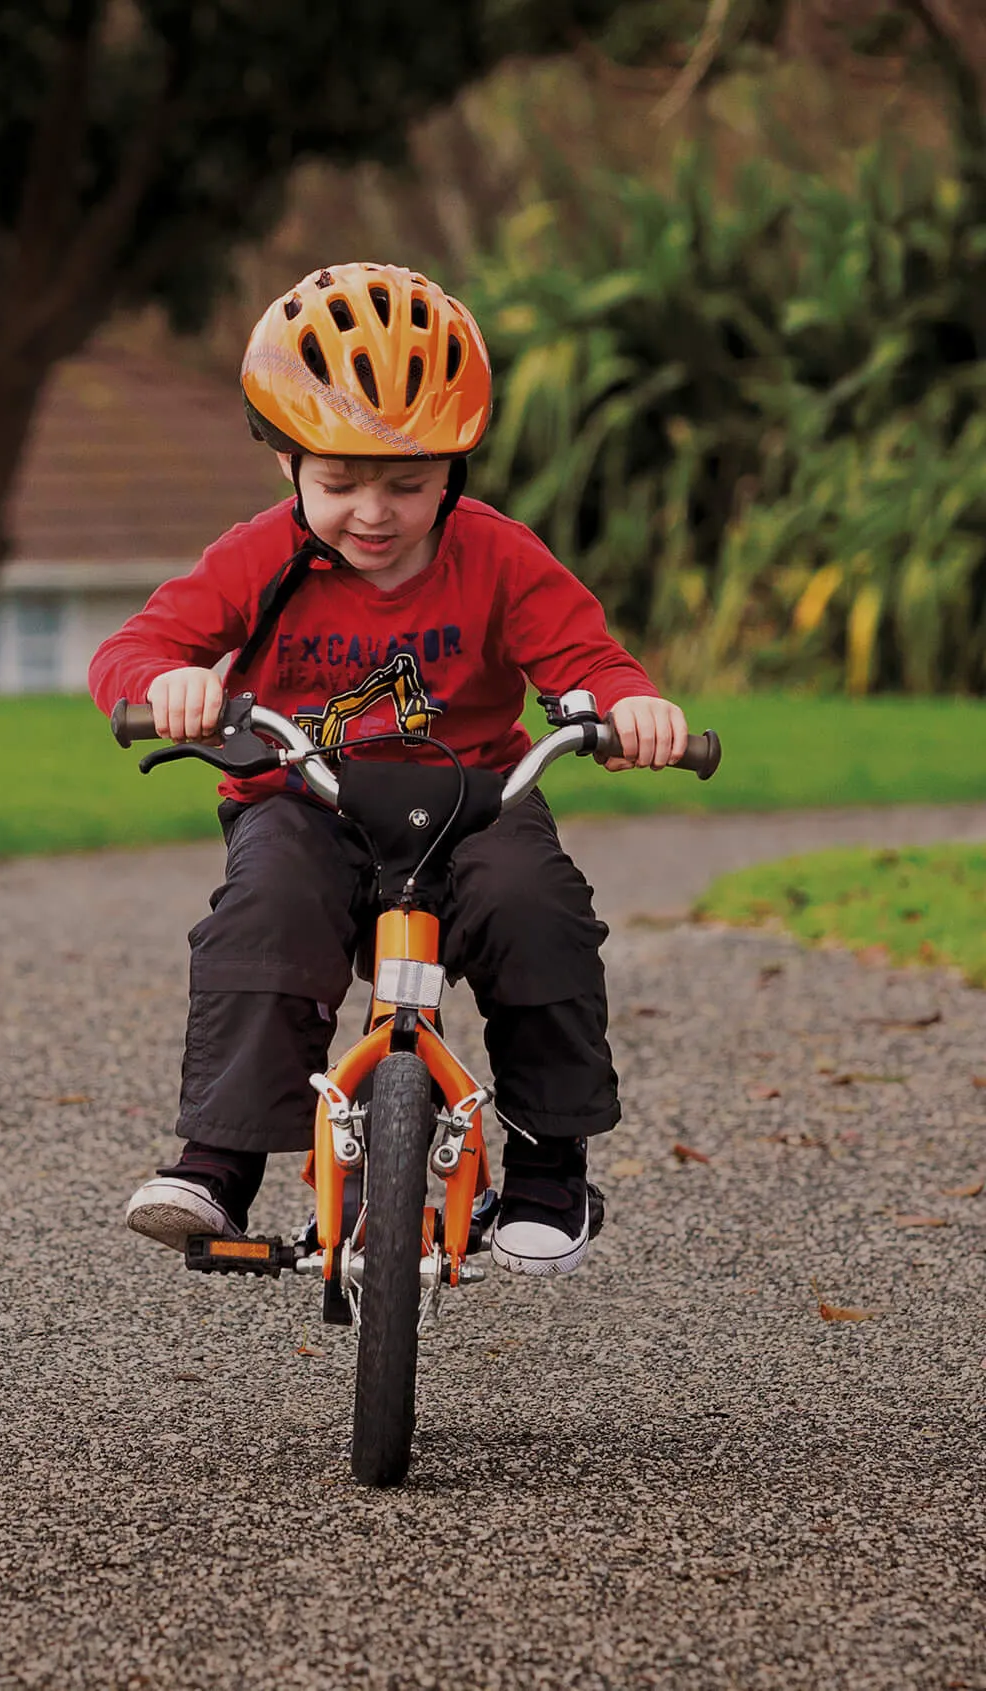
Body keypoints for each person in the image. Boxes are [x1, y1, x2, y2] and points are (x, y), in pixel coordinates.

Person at [86, 262, 690, 1277]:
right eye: (339, 483)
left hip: (473, 801)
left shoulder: (497, 556)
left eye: (408, 484)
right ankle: (217, 1161)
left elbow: (584, 659)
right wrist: (170, 683)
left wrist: (626, 705)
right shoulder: (256, 556)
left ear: (453, 467)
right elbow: (134, 650)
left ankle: (548, 1166)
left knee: (537, 905)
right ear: (286, 461)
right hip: (308, 799)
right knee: (266, 908)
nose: (374, 511)